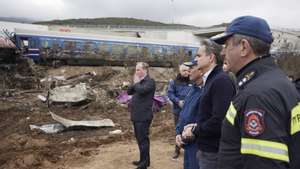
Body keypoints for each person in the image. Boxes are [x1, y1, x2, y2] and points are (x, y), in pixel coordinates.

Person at [211, 15, 300, 169]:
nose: (222, 53)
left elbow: (263, 164)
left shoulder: (257, 95)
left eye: (226, 45)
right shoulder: (276, 80)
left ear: (244, 47)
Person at [182, 39, 236, 169]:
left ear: (211, 58)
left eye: (199, 55)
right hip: (208, 148)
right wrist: (197, 125)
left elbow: (221, 120)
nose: (195, 59)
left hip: (214, 152)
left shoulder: (220, 81)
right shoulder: (212, 79)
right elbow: (211, 114)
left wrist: (195, 130)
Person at [127, 62, 156, 169]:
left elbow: (142, 90)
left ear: (145, 70)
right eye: (136, 70)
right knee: (139, 139)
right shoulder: (138, 82)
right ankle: (143, 160)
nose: (136, 72)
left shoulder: (150, 81)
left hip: (143, 116)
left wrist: (136, 83)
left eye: (138, 70)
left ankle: (144, 163)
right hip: (136, 115)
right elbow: (129, 92)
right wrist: (134, 83)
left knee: (143, 140)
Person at [175, 60, 203, 169]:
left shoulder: (206, 91)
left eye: (191, 68)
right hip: (187, 142)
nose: (188, 71)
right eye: (187, 69)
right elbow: (183, 114)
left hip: (197, 143)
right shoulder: (193, 89)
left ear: (201, 71)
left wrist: (192, 130)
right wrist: (178, 132)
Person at [167, 63, 193, 159]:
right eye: (184, 71)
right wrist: (178, 101)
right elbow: (170, 94)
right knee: (178, 130)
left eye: (188, 71)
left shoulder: (193, 81)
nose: (186, 73)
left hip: (190, 111)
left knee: (189, 130)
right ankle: (177, 149)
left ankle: (188, 149)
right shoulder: (174, 82)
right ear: (180, 71)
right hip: (178, 110)